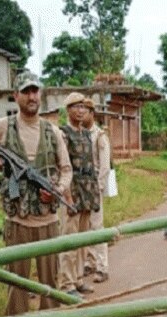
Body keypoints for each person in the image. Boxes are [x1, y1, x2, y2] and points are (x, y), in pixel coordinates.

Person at [0, 71, 73, 317]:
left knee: (49, 279)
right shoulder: (3, 127)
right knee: (17, 279)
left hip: (47, 219)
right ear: (16, 96)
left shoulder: (53, 131)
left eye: (36, 91)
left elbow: (66, 169)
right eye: (26, 91)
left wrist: (56, 189)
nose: (32, 97)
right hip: (17, 220)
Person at [58, 92, 99, 296]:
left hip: (87, 191)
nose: (81, 110)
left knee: (83, 239)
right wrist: (67, 198)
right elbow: (63, 168)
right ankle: (66, 283)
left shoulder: (86, 134)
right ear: (68, 109)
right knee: (69, 240)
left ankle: (78, 278)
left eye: (83, 106)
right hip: (71, 191)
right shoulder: (63, 134)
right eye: (76, 106)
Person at [82, 97, 111, 283]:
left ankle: (102, 267)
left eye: (84, 110)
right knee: (85, 227)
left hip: (94, 188)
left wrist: (98, 188)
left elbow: (105, 165)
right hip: (81, 188)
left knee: (97, 227)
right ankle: (90, 262)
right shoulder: (78, 133)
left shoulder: (99, 136)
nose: (80, 113)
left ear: (92, 114)